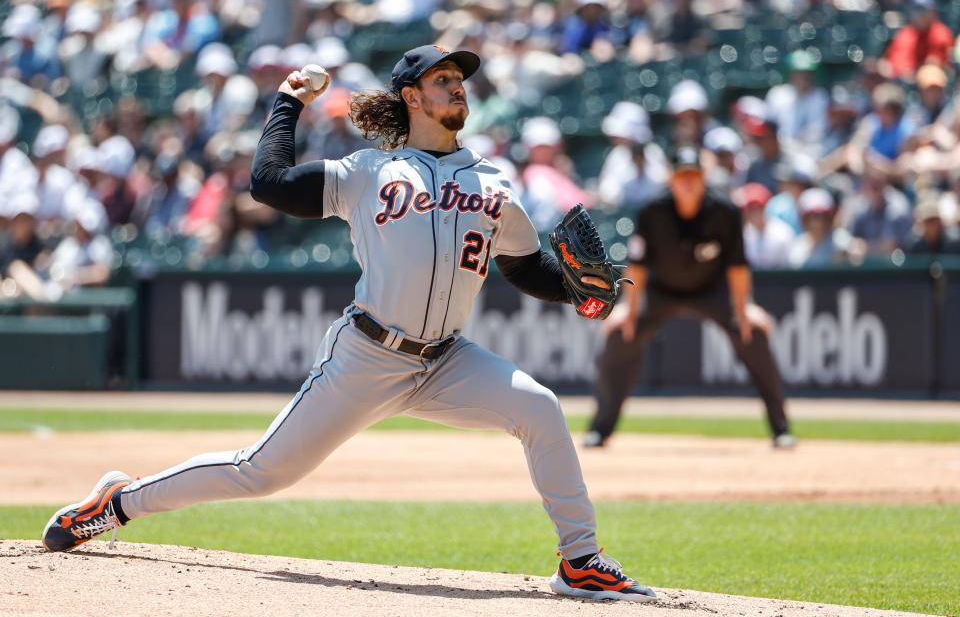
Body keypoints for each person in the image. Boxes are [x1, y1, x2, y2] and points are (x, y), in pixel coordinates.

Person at [41, 44, 656, 603]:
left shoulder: (494, 182)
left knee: (540, 408)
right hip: (367, 354)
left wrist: (576, 292)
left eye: (460, 80)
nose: (458, 87)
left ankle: (580, 560)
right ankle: (116, 505)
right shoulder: (366, 173)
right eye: (443, 79)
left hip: (446, 359)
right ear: (411, 97)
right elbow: (268, 184)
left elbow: (525, 270)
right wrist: (287, 103)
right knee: (260, 472)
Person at [584, 147, 793, 450]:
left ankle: (781, 429)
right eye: (682, 176)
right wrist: (628, 309)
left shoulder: (725, 212)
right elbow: (638, 266)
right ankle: (600, 429)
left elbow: (737, 266)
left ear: (703, 178)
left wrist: (744, 307)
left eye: (694, 176)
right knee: (620, 334)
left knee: (754, 332)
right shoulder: (651, 211)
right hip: (661, 291)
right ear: (671, 179)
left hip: (712, 290)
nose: (688, 183)